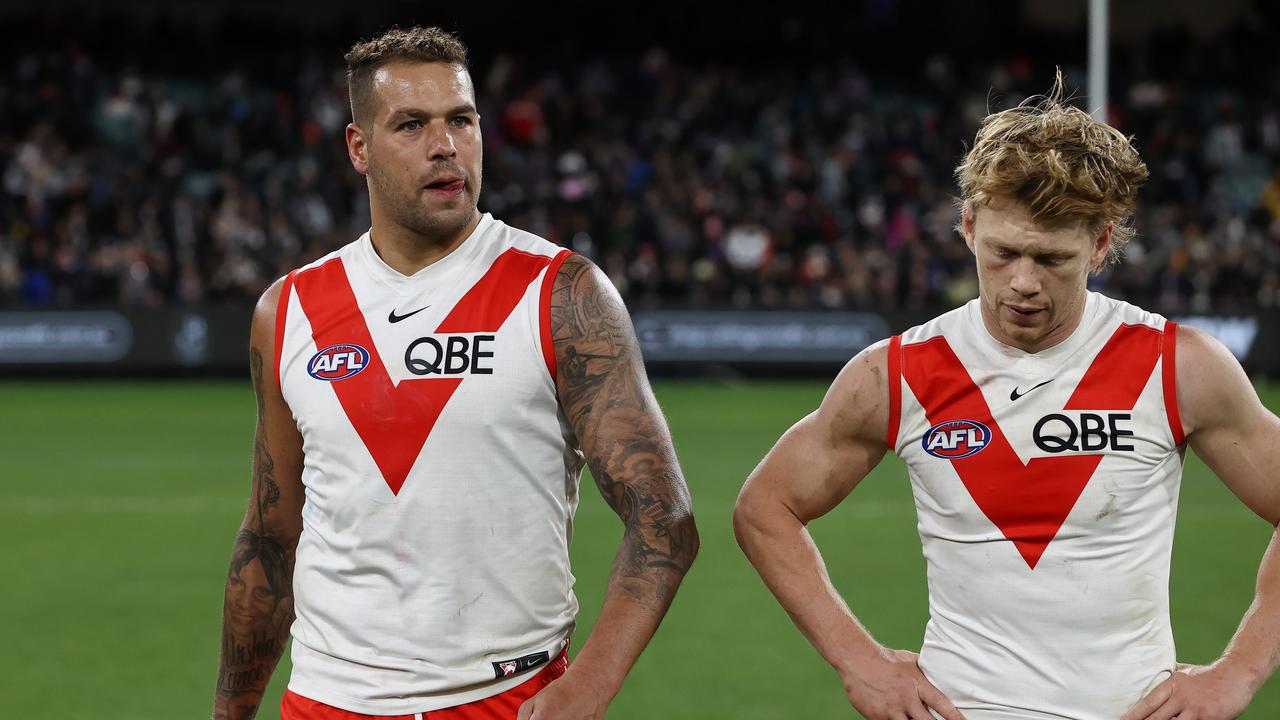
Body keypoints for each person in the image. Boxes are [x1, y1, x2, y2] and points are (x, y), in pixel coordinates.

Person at [733, 76, 1280, 720]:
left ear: (1101, 243)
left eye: (1051, 258)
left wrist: (1239, 673)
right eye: (1003, 252)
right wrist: (857, 659)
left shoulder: (1177, 366)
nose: (1022, 282)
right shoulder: (899, 372)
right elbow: (765, 507)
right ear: (968, 228)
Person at [211, 26, 698, 720]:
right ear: (359, 148)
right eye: (411, 125)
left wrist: (590, 684)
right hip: (325, 702)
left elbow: (665, 517)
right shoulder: (288, 311)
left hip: (508, 698)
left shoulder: (562, 295)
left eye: (461, 121)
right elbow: (269, 535)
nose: (445, 146)